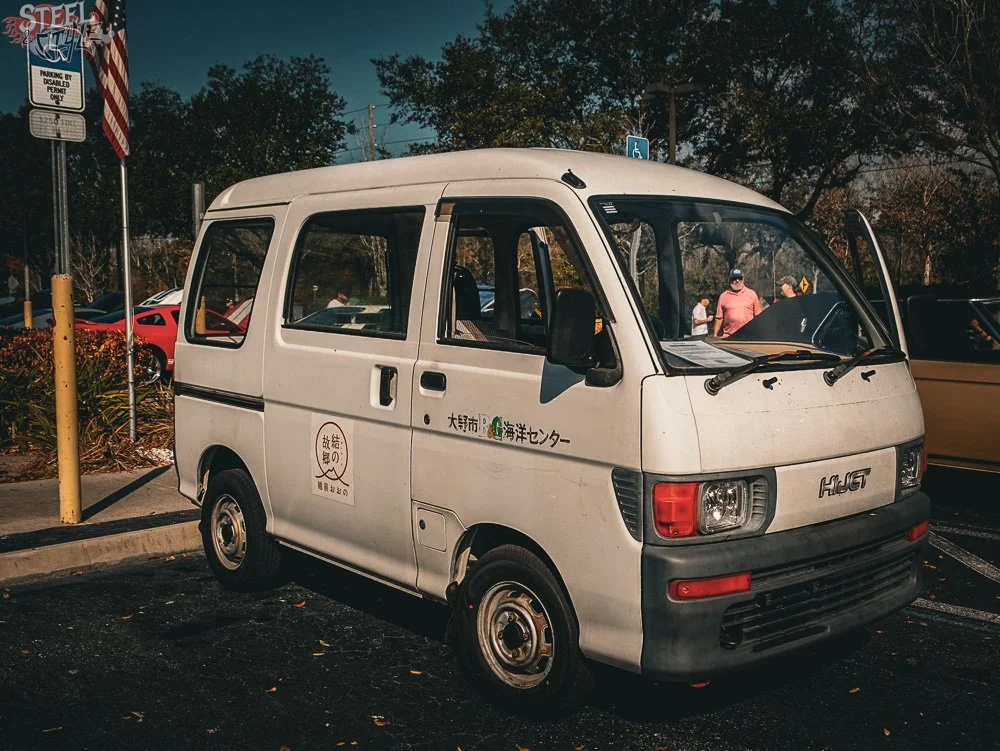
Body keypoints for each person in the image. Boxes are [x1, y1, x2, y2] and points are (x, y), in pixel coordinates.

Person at [713, 269, 761, 337]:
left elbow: (758, 316)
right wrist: (715, 335)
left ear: (743, 279)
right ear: (729, 280)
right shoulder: (723, 296)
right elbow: (719, 318)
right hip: (728, 337)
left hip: (748, 336)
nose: (737, 281)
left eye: (740, 278)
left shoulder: (752, 294)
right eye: (734, 278)